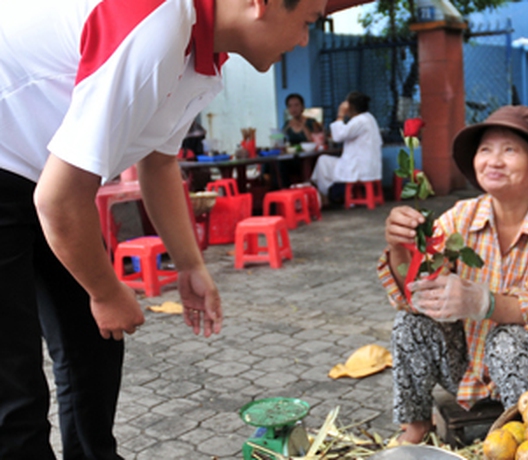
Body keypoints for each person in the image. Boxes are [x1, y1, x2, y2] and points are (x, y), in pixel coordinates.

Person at [0, 0, 326, 457]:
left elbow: (160, 162)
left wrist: (191, 265)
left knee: (94, 345)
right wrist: (107, 291)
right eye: (308, 21)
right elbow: (58, 201)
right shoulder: (156, 23)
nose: (304, 40)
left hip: (44, 175)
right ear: (261, 4)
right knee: (14, 388)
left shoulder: (203, 58)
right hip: (25, 175)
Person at [377, 105, 528, 444]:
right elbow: (411, 294)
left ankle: (526, 439)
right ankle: (416, 429)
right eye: (485, 149)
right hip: (468, 368)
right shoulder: (461, 217)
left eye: (510, 150)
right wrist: (401, 246)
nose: (494, 160)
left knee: (508, 338)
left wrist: (483, 302)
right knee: (411, 324)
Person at [311, 91, 383, 201]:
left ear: (351, 106)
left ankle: (323, 195)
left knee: (322, 161)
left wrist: (340, 115)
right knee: (325, 163)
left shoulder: (359, 120)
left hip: (358, 168)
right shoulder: (369, 118)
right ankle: (323, 192)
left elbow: (338, 137)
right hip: (368, 167)